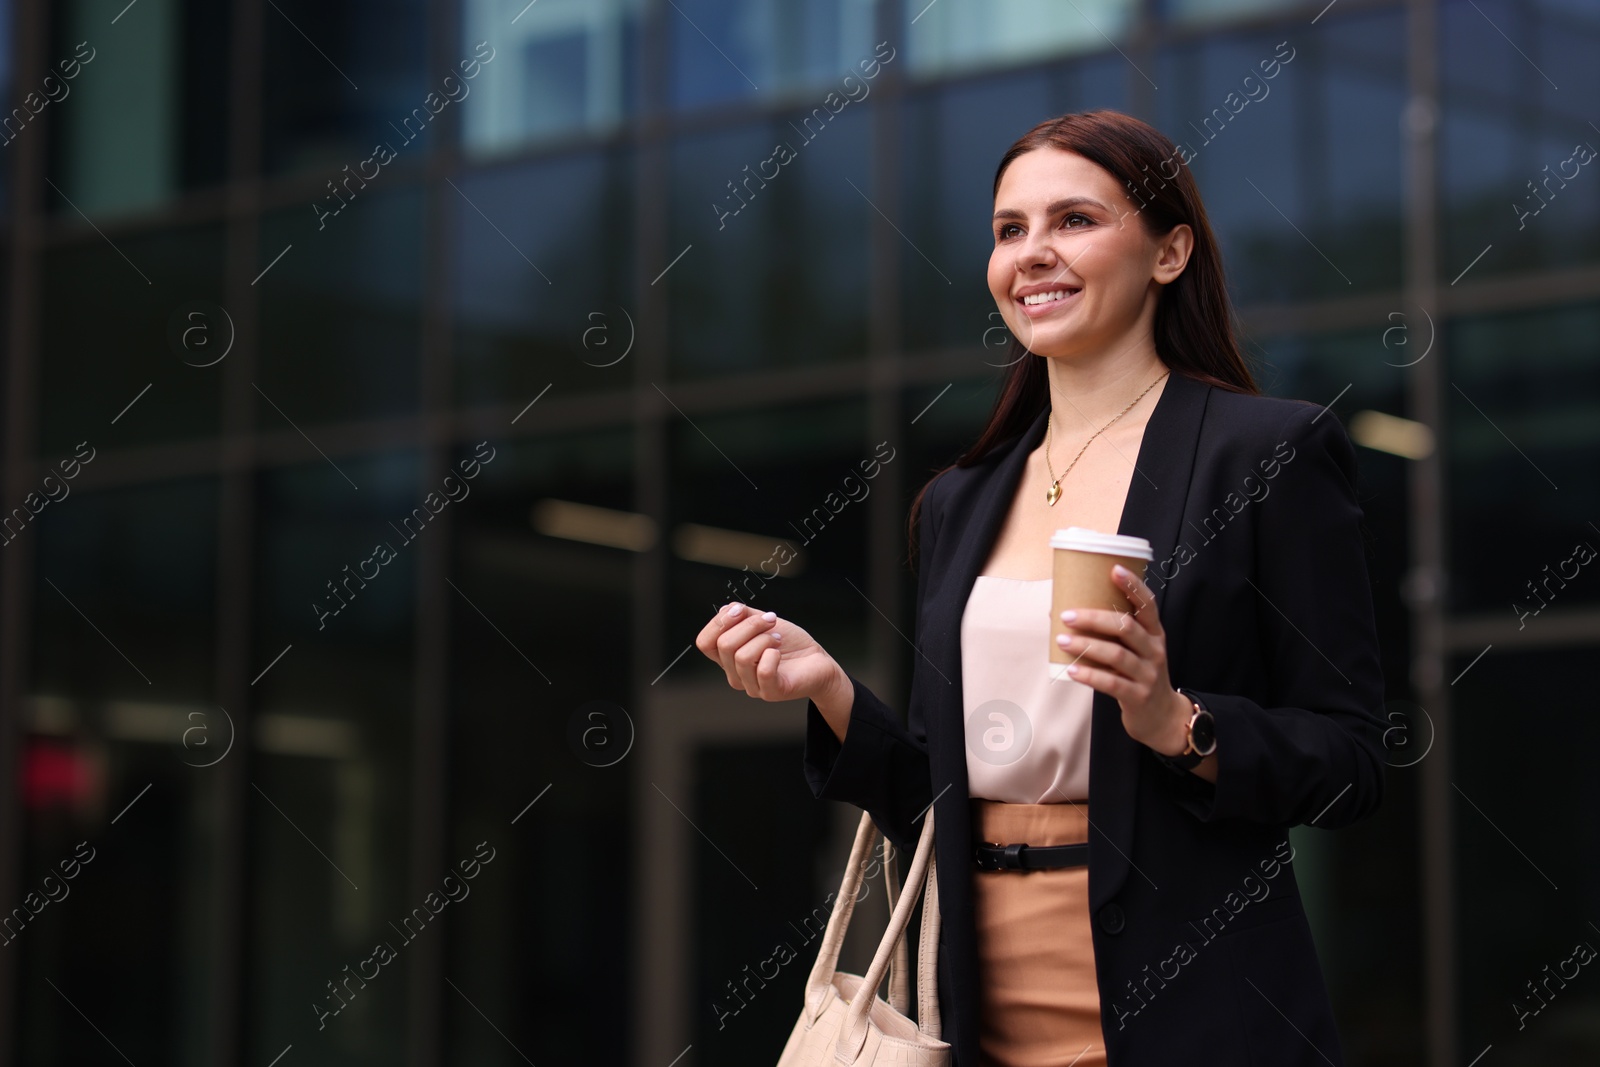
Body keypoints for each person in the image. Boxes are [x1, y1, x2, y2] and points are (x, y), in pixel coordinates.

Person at [695, 109, 1385, 1067]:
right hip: (981, 1003)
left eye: (1074, 221)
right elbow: (932, 794)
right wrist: (830, 692)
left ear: (1170, 251)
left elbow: (1351, 759)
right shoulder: (960, 502)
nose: (1033, 254)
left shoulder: (1267, 454)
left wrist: (1176, 721)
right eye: (1009, 230)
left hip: (1191, 1001)